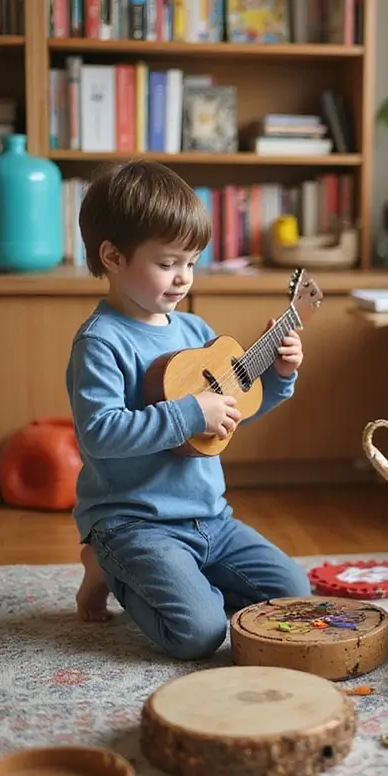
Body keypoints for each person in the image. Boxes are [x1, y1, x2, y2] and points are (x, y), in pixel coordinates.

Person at [67, 160, 310, 659]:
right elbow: (99, 434)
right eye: (167, 263)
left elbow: (224, 417)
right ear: (112, 256)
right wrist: (188, 414)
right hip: (134, 523)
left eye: (192, 262)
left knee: (294, 596)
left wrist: (279, 377)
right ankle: (108, 566)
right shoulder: (100, 343)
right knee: (198, 633)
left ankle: (179, 576)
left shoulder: (195, 331)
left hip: (211, 520)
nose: (183, 278)